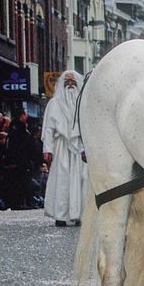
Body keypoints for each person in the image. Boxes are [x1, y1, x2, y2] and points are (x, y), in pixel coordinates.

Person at [42, 71, 89, 227]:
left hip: (80, 149)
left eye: (73, 81)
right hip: (61, 147)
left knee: (81, 181)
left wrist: (86, 148)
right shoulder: (54, 104)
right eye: (67, 81)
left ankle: (80, 215)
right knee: (62, 181)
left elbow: (88, 128)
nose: (70, 84)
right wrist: (47, 150)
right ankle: (61, 215)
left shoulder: (83, 103)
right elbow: (49, 129)